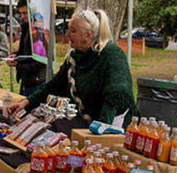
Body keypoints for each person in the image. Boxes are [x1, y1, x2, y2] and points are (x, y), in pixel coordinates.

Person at [8, 9, 137, 129]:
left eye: (73, 31)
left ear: (88, 34)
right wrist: (26, 102)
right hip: (90, 126)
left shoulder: (111, 53)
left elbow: (116, 94)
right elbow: (53, 86)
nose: (67, 35)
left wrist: (101, 128)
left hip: (114, 128)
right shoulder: (75, 57)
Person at [7, 0, 46, 96]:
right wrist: (15, 55)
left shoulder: (39, 32)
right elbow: (25, 52)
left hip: (37, 82)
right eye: (21, 13)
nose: (22, 16)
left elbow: (40, 62)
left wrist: (18, 65)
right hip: (26, 80)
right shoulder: (26, 28)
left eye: (25, 13)